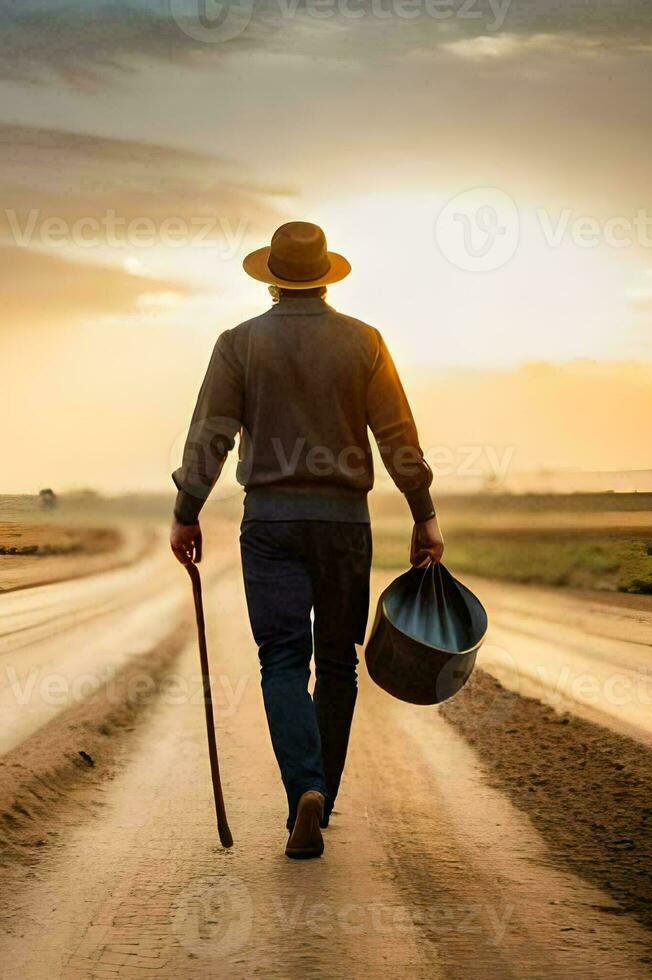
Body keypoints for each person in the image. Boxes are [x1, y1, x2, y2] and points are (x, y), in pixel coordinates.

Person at [169, 221, 444, 859]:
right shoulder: (364, 343)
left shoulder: (238, 344)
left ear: (270, 277)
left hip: (269, 522)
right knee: (338, 664)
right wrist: (422, 511)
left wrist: (188, 510)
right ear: (324, 276)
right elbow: (398, 435)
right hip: (345, 523)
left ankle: (305, 788)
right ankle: (317, 798)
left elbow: (209, 435)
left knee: (282, 662)